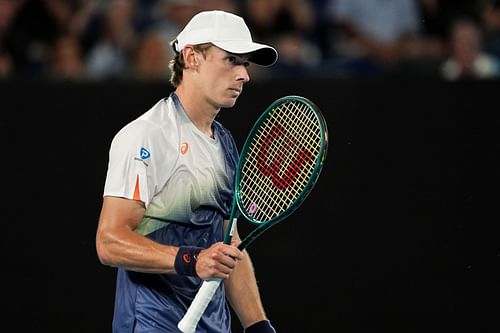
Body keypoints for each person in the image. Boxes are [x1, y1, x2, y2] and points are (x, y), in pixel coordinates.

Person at [96, 10, 278, 333]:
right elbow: (109, 242)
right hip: (151, 324)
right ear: (192, 57)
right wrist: (191, 260)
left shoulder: (224, 144)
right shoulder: (146, 136)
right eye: (231, 60)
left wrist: (258, 325)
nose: (244, 75)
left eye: (245, 64)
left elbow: (229, 245)